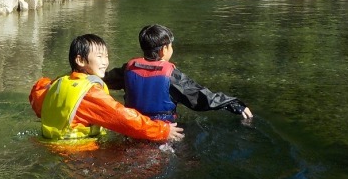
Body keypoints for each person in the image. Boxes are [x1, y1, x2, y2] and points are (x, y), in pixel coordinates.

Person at [29, 34, 184, 144]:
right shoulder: (90, 93)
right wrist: (162, 130)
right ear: (80, 60)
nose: (105, 62)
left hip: (49, 145)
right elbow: (124, 118)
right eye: (99, 57)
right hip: (79, 153)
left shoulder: (58, 83)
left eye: (106, 56)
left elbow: (37, 92)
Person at [104, 24, 253, 121]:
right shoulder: (172, 76)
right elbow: (202, 98)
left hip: (134, 126)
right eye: (171, 46)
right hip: (164, 131)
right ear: (164, 50)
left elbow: (105, 80)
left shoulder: (128, 69)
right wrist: (235, 104)